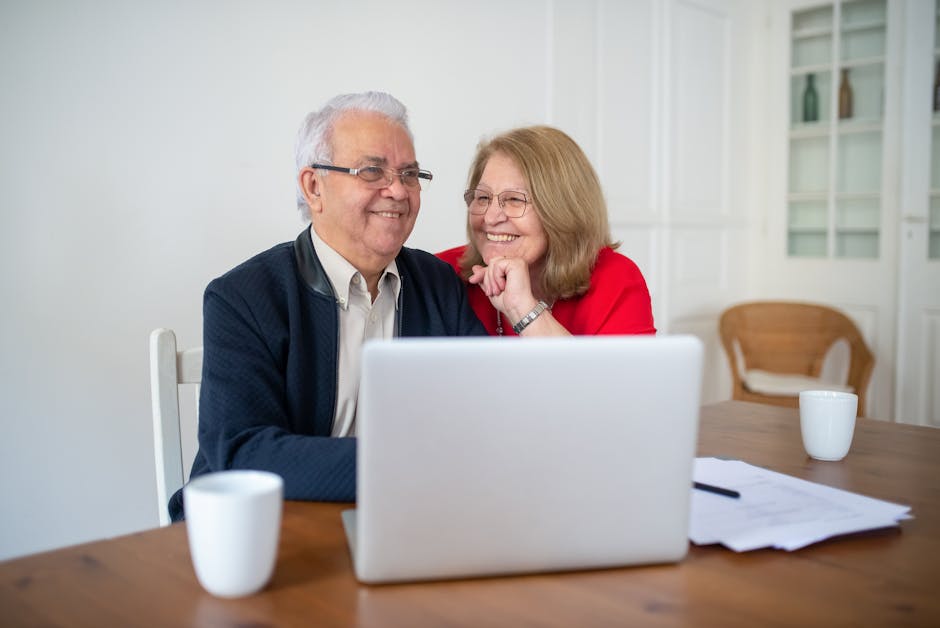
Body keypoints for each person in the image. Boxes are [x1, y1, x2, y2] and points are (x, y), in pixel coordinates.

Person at [169, 92, 486, 521]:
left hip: (403, 520)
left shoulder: (437, 285)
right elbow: (244, 451)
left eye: (409, 174)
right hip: (264, 529)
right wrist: (404, 466)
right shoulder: (243, 297)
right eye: (372, 171)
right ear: (313, 186)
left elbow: (489, 415)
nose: (397, 190)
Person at [437, 125, 656, 337]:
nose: (490, 217)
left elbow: (618, 376)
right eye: (482, 198)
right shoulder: (438, 275)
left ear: (563, 210)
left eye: (514, 199)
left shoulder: (615, 281)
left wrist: (522, 308)